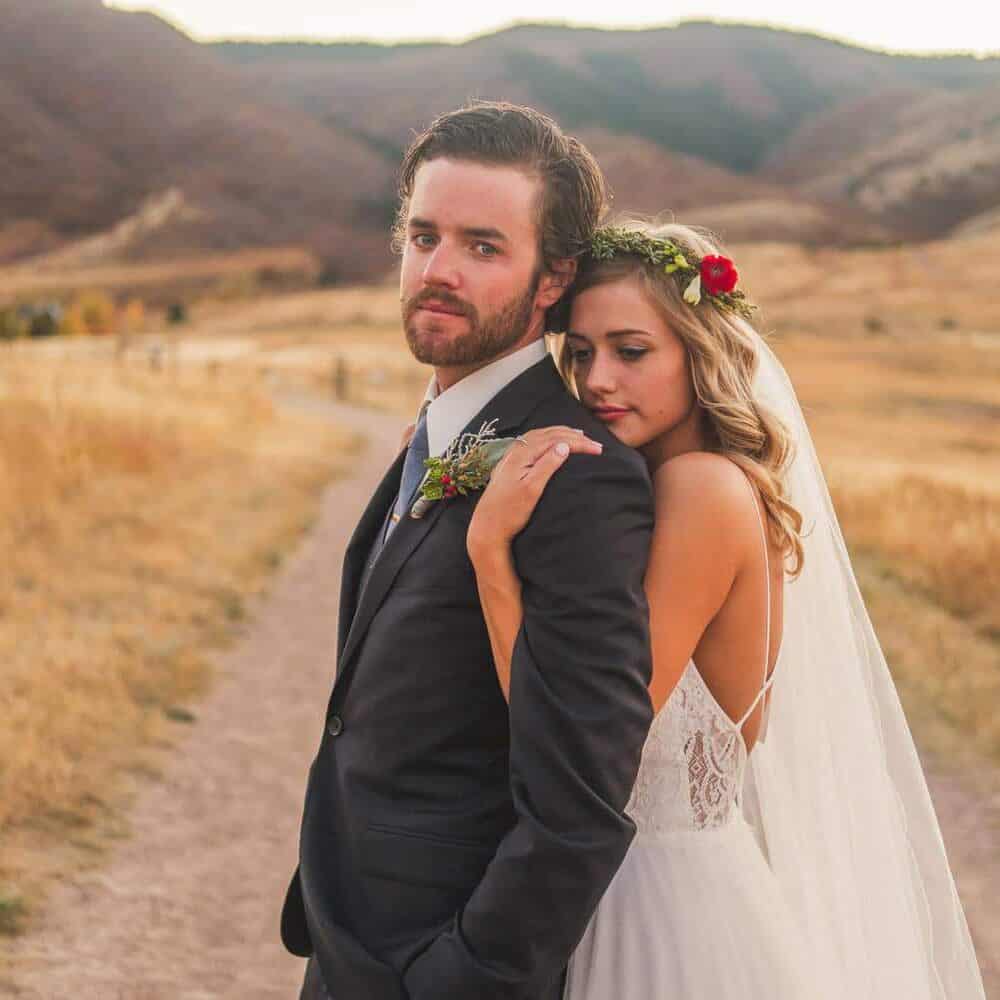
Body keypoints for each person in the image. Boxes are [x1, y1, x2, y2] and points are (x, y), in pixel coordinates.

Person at [467, 220, 987, 998]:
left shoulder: (703, 488)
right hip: (664, 886)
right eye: (580, 354)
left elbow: (587, 745)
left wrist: (489, 558)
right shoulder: (688, 489)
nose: (598, 379)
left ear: (699, 352)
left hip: (662, 914)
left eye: (631, 350)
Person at [281, 102, 658, 1000]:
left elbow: (581, 800)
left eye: (483, 247)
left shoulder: (575, 474)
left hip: (436, 964)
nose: (438, 271)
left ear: (550, 279)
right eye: (423, 236)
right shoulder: (442, 428)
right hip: (350, 936)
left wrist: (465, 976)